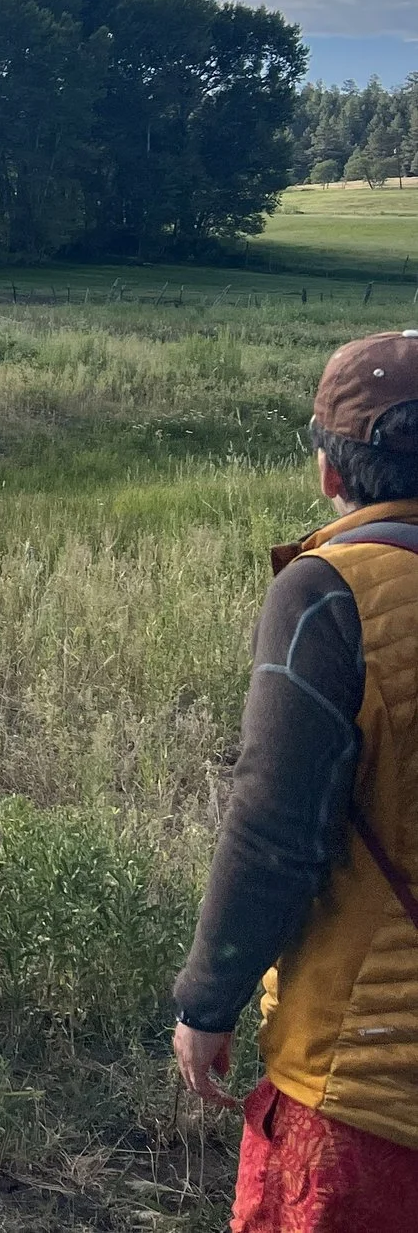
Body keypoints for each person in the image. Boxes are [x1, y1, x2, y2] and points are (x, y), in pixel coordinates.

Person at [174, 329, 418, 1225]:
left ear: (330, 469)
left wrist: (208, 998)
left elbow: (274, 826)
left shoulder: (329, 592)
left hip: (367, 1085)